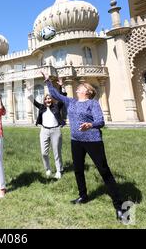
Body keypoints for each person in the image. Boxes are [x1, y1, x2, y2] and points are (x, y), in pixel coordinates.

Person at [41, 72, 125, 221]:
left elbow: (100, 121)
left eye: (80, 87)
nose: (78, 88)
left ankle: (119, 206)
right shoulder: (72, 102)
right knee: (78, 170)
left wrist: (90, 125)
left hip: (93, 141)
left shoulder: (92, 103)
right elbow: (54, 93)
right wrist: (48, 80)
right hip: (76, 141)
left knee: (104, 170)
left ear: (87, 91)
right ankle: (83, 196)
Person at [27, 84, 66, 180]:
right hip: (44, 131)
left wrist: (62, 87)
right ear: (44, 100)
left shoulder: (57, 106)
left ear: (52, 100)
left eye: (49, 99)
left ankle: (58, 170)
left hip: (55, 130)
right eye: (46, 99)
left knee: (57, 152)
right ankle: (47, 169)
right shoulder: (41, 107)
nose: (48, 100)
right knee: (44, 153)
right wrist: (29, 90)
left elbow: (63, 97)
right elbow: (32, 100)